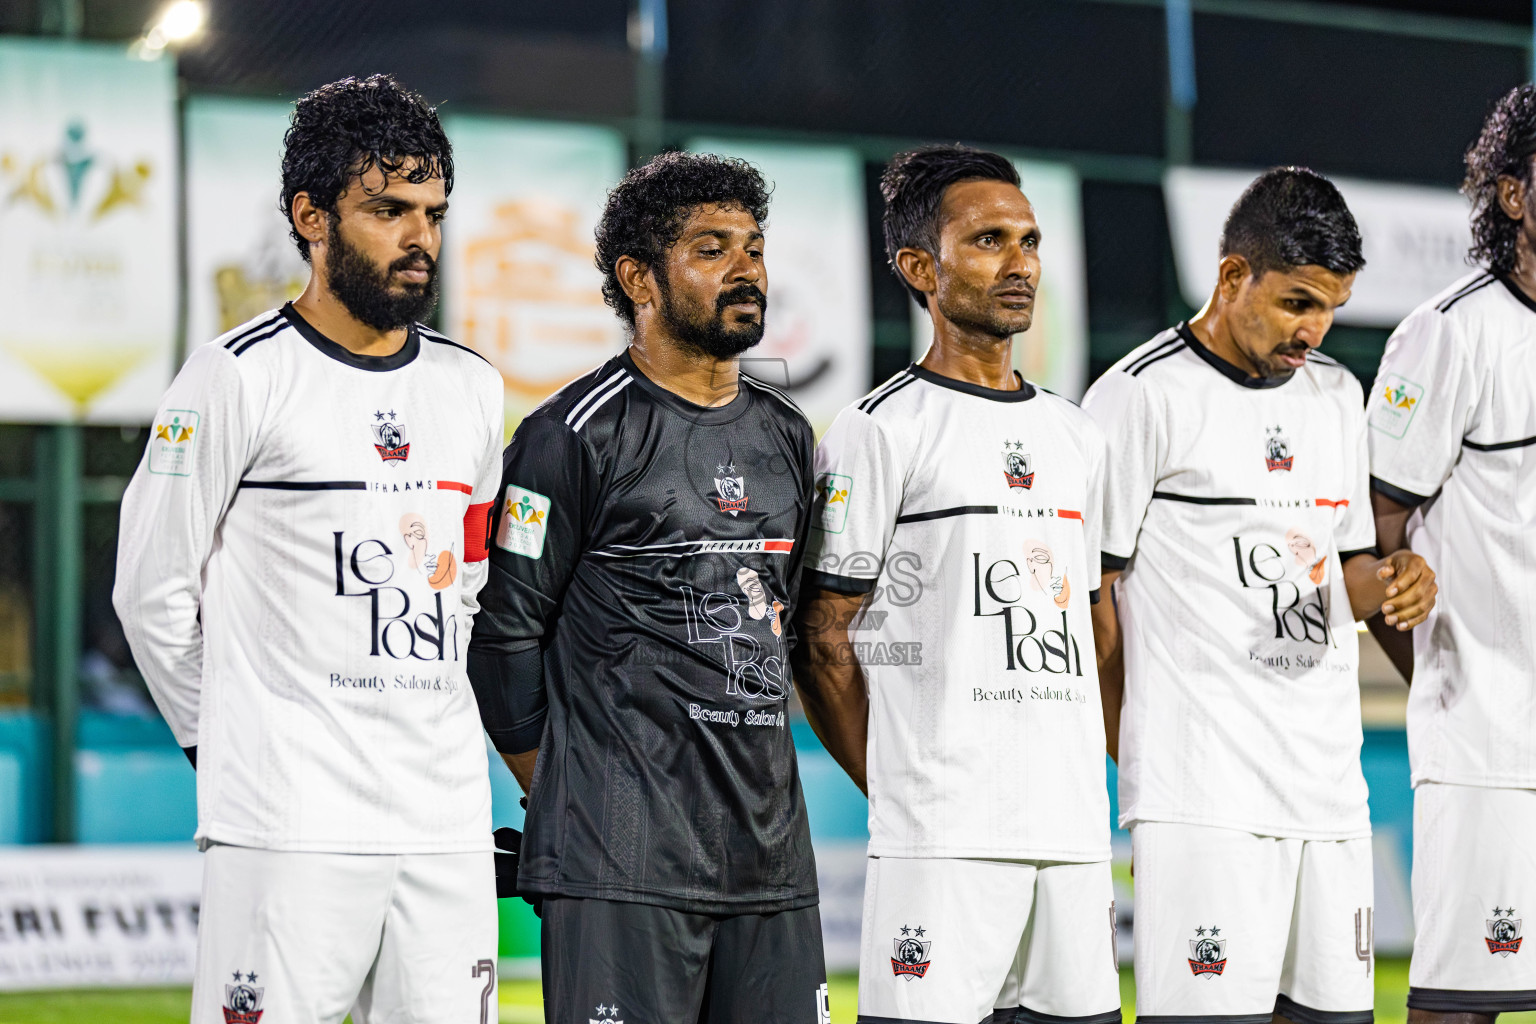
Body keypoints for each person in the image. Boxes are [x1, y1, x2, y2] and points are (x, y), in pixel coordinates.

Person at [114, 75, 504, 1024]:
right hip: (286, 829)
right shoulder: (234, 376)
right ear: (311, 216)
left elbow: (470, 588)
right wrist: (225, 742)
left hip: (444, 825)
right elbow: (150, 590)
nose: (420, 239)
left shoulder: (473, 388)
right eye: (387, 211)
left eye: (432, 213)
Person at [466, 151, 829, 1024]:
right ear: (640, 279)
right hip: (619, 868)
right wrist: (574, 790)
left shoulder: (790, 436)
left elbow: (797, 623)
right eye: (712, 249)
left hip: (771, 864)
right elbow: (502, 639)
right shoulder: (570, 436)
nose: (747, 267)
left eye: (753, 245)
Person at [1082, 167, 1437, 1024]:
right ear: (1233, 275)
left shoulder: (1334, 397)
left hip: (1326, 790)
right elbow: (1089, 597)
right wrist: (1140, 754)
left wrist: (1393, 581)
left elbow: (1347, 565)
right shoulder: (1139, 396)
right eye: (1297, 303)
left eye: (1330, 308)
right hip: (1200, 796)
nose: (1314, 330)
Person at [794, 144, 1121, 1024]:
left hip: (1076, 837)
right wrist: (900, 784)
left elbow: (1095, 620)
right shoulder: (877, 431)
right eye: (987, 240)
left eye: (1029, 240)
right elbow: (822, 638)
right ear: (918, 268)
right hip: (942, 843)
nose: (1020, 263)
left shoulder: (1078, 436)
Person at [1367, 84, 1536, 1022]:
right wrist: (1443, 678)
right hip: (1490, 748)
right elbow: (1378, 529)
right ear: (1512, 196)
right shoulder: (1450, 333)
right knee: (1462, 1001)